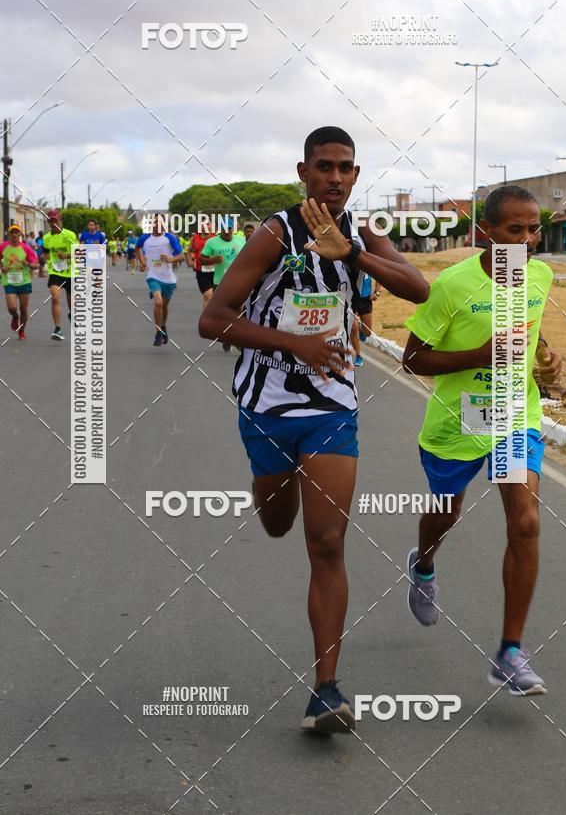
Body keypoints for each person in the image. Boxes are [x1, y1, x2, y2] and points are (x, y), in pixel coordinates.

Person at [200, 126, 428, 734]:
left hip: (331, 406)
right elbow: (212, 319)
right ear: (303, 170)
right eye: (323, 167)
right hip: (266, 405)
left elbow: (420, 290)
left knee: (326, 543)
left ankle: (326, 691)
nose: (335, 178)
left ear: (357, 175)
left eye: (346, 168)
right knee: (278, 522)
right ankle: (267, 484)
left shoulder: (363, 232)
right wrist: (295, 343)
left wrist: (350, 255)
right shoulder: (274, 233)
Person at [402, 185, 562, 696]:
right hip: (460, 418)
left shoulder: (539, 274)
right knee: (445, 513)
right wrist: (477, 355)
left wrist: (545, 357)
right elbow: (413, 358)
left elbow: (527, 329)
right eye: (515, 229)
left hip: (515, 414)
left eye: (533, 228)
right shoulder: (451, 286)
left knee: (526, 520)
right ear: (486, 231)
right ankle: (424, 563)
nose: (527, 240)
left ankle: (510, 653)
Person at [136, 216, 184, 346]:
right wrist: (141, 262)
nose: (157, 224)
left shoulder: (170, 238)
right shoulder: (145, 238)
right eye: (154, 222)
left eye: (160, 222)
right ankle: (158, 332)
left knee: (164, 306)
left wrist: (170, 259)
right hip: (153, 276)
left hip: (168, 278)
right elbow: (137, 247)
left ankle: (163, 327)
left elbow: (181, 255)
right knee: (158, 303)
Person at [200, 217, 245, 352]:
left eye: (229, 228)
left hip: (238, 282)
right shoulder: (212, 242)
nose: (227, 231)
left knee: (239, 311)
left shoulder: (240, 240)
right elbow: (202, 259)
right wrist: (212, 259)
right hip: (220, 282)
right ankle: (227, 337)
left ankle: (237, 339)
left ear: (233, 229)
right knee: (224, 313)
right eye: (224, 229)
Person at [42, 210, 79, 341]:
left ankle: (72, 315)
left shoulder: (69, 235)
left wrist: (66, 255)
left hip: (71, 272)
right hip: (55, 272)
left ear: (60, 221)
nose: (53, 224)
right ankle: (58, 329)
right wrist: (40, 259)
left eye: (55, 221)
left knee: (71, 302)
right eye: (50, 221)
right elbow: (45, 253)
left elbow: (80, 253)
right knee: (55, 297)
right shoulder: (46, 238)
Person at [0, 224, 38, 340]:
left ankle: (21, 331)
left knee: (23, 309)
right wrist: (2, 267)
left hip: (24, 281)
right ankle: (15, 316)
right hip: (9, 281)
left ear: (20, 234)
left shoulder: (26, 248)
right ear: (9, 234)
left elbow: (35, 265)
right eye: (12, 232)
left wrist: (27, 264)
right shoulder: (3, 246)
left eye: (17, 232)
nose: (14, 235)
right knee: (12, 307)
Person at [350, 271, 380, 367]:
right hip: (352, 299)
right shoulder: (349, 262)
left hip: (366, 300)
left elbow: (379, 275)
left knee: (367, 332)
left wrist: (376, 292)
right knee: (353, 328)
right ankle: (358, 355)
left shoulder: (368, 261)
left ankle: (361, 329)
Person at [187, 225, 215, 313]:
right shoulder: (195, 238)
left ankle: (213, 317)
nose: (206, 227)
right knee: (207, 295)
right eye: (203, 225)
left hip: (216, 270)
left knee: (214, 297)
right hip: (201, 270)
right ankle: (206, 320)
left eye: (208, 224)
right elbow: (189, 250)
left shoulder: (216, 237)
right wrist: (190, 261)